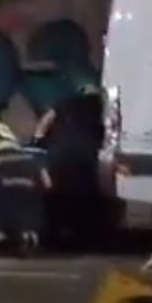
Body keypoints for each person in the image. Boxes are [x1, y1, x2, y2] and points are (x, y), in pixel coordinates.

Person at [33, 82, 107, 249]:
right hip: (86, 157)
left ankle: (53, 235)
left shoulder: (63, 103)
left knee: (55, 196)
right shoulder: (98, 108)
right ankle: (82, 236)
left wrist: (37, 140)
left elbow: (45, 122)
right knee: (85, 198)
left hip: (60, 155)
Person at [0, 122, 51, 256]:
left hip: (0, 217)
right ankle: (29, 235)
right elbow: (48, 184)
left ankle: (2, 237)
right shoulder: (33, 159)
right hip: (32, 215)